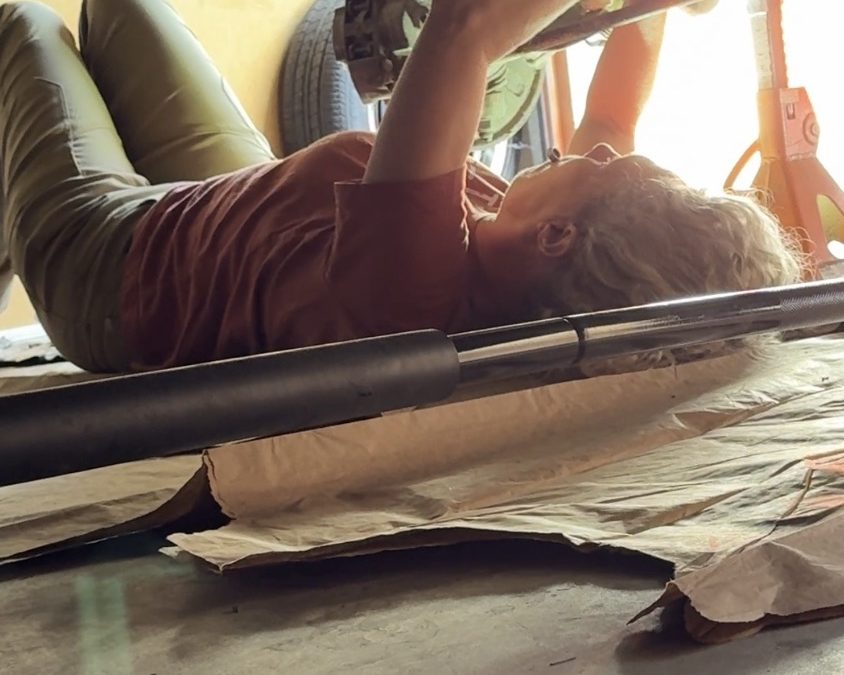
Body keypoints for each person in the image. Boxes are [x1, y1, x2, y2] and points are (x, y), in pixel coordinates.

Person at [0, 0, 802, 374]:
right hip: (242, 210)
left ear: (557, 237)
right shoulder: (518, 235)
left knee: (22, 27)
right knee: (119, 8)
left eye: (599, 168)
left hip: (117, 268)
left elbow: (466, 27)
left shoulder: (415, 292)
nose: (586, 151)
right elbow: (613, 108)